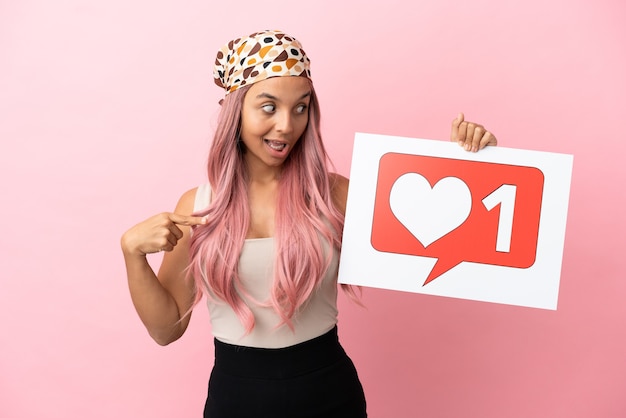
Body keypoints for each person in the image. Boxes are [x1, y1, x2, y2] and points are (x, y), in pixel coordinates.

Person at [121, 30, 497, 418]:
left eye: (300, 108)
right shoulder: (199, 206)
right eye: (269, 107)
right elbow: (166, 330)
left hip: (329, 396)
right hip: (235, 400)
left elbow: (439, 242)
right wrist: (132, 254)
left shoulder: (334, 195)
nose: (287, 125)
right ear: (236, 110)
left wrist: (468, 166)